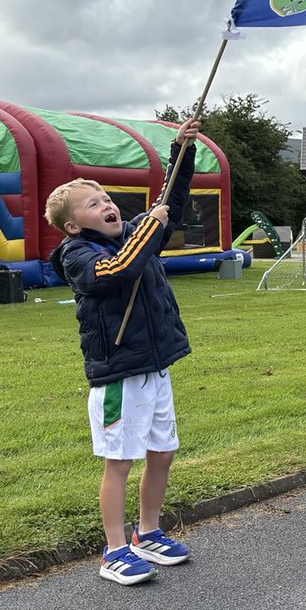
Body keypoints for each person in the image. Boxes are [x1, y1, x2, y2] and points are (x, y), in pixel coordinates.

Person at [43, 117, 201, 586]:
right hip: (119, 376)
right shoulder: (77, 255)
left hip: (155, 370)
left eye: (107, 199)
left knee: (162, 453)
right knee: (120, 462)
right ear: (73, 225)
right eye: (94, 204)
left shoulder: (134, 232)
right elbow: (119, 271)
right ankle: (114, 549)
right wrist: (149, 229)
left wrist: (182, 150)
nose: (107, 205)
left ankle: (147, 533)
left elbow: (170, 201)